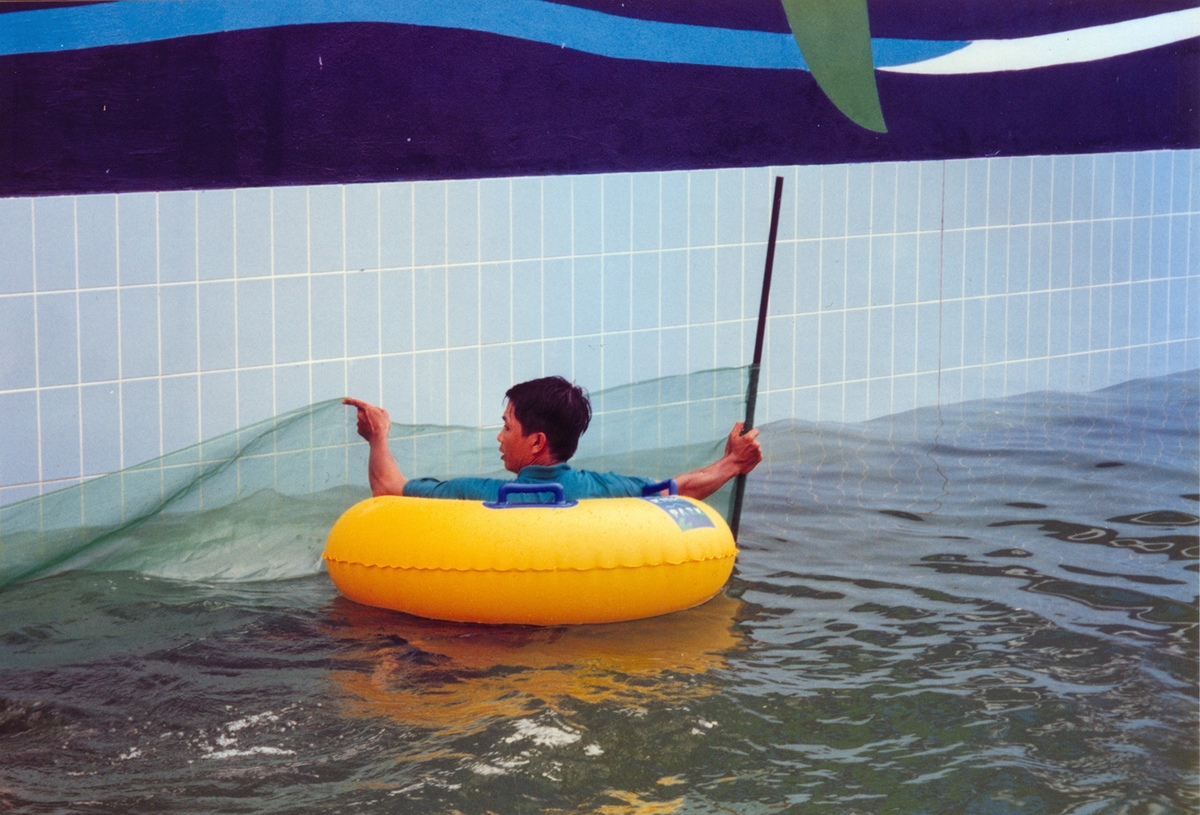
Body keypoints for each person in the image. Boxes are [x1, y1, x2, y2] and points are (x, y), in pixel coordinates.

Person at [343, 375, 762, 502]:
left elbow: (388, 490)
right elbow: (681, 488)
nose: (499, 437)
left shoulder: (478, 492)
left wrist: (378, 437)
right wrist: (733, 463)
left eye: (507, 426)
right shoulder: (603, 489)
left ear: (537, 441)